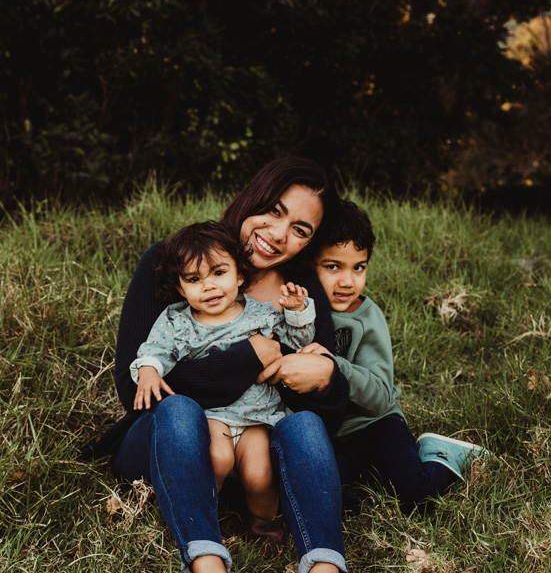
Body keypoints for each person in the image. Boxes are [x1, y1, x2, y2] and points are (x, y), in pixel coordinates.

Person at [80, 157, 350, 573]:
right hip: (173, 443)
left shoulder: (300, 291)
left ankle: (324, 565)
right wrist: (247, 357)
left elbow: (327, 411)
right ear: (251, 198)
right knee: (178, 409)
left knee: (304, 425)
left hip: (259, 452)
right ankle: (207, 561)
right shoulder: (175, 259)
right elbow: (133, 389)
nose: (278, 235)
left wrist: (327, 378)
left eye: (300, 230)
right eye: (274, 211)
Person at [130, 220, 317, 552]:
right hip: (210, 415)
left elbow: (295, 342)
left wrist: (297, 311)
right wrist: (147, 372)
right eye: (194, 279)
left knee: (260, 473)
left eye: (219, 273)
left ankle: (262, 524)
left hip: (257, 415)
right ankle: (203, 519)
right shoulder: (177, 320)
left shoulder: (261, 314)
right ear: (180, 287)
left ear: (239, 275)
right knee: (217, 459)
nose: (209, 287)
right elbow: (154, 352)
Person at [301, 199, 490, 514]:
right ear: (309, 264)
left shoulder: (367, 317)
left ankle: (441, 453)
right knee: (337, 500)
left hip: (376, 419)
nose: (347, 281)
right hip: (334, 433)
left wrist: (333, 367)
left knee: (417, 496)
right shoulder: (300, 308)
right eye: (333, 266)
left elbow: (379, 395)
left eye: (358, 267)